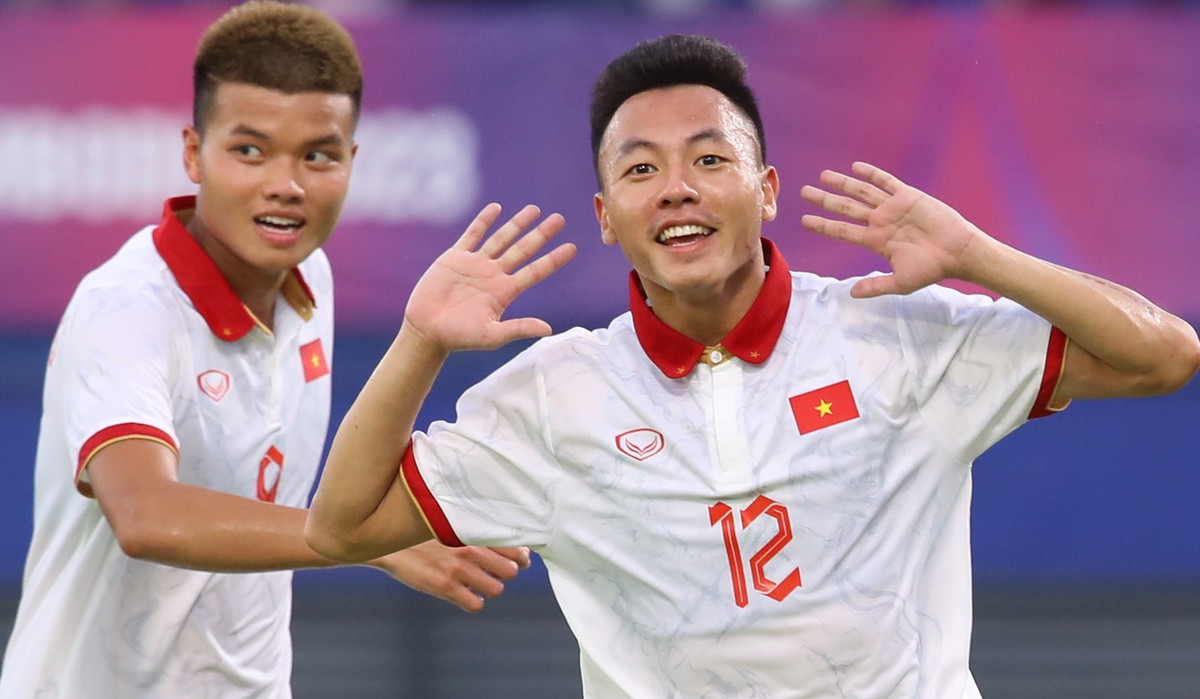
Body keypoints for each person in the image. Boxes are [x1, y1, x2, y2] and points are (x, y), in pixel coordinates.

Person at [304, 33, 1200, 698]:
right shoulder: (553, 394)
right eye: (640, 170)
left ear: (765, 190)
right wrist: (418, 339)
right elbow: (342, 528)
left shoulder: (892, 334)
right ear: (607, 215)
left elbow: (1163, 356)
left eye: (709, 158)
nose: (677, 188)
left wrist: (978, 254)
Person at [0, 2, 531, 697]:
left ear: (351, 161)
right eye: (250, 150)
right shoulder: (124, 308)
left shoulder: (313, 277)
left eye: (318, 155)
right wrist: (364, 540)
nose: (287, 184)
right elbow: (145, 514)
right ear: (194, 152)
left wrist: (379, 525)